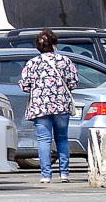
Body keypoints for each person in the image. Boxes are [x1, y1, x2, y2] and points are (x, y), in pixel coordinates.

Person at [18, 29, 78, 184]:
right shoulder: (64, 61)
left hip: (40, 107)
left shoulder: (33, 63)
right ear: (54, 45)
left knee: (44, 140)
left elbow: (24, 85)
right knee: (62, 139)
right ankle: (64, 173)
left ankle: (46, 175)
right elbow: (74, 82)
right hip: (61, 106)